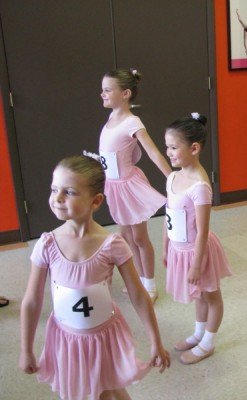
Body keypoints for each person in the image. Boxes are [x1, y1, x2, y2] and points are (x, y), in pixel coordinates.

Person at [19, 155, 171, 400]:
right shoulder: (47, 244)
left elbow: (139, 296)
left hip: (104, 336)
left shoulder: (112, 244)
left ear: (96, 201)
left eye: (69, 192)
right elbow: (32, 301)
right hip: (67, 340)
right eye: (54, 189)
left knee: (108, 387)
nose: (57, 198)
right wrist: (26, 349)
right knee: (84, 391)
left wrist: (156, 341)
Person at [163, 113, 232, 365]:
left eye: (173, 147)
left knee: (211, 295)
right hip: (179, 248)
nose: (169, 153)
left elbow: (202, 231)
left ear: (194, 148)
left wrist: (195, 263)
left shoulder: (200, 186)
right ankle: (198, 333)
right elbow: (168, 215)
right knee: (199, 295)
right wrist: (165, 247)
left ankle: (208, 343)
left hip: (197, 251)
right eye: (167, 147)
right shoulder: (173, 177)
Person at [99, 69, 172, 303]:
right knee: (125, 236)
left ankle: (150, 285)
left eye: (108, 90)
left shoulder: (133, 122)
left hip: (130, 187)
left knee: (139, 238)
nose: (102, 94)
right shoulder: (111, 118)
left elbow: (152, 153)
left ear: (126, 93)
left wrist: (172, 179)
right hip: (114, 187)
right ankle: (139, 280)